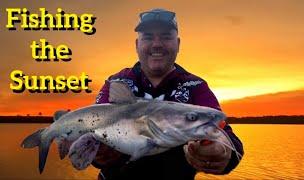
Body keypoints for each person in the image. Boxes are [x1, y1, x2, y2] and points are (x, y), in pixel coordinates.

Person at [92, 8, 244, 180]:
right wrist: (98, 154)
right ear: (137, 44)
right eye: (148, 37)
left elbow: (229, 139)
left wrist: (221, 151)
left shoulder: (196, 86)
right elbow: (90, 128)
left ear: (178, 44)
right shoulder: (116, 82)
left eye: (166, 36)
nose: (157, 44)